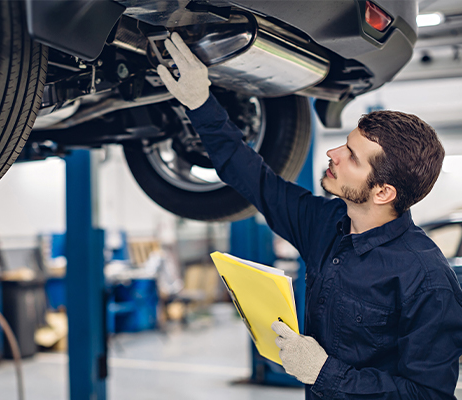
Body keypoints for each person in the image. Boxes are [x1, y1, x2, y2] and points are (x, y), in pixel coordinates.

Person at [157, 32, 462, 399]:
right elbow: (256, 181)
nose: (333, 152)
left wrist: (324, 372)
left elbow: (428, 395)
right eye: (343, 143)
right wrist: (201, 103)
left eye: (351, 155)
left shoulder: (427, 281)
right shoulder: (326, 223)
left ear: (383, 192)